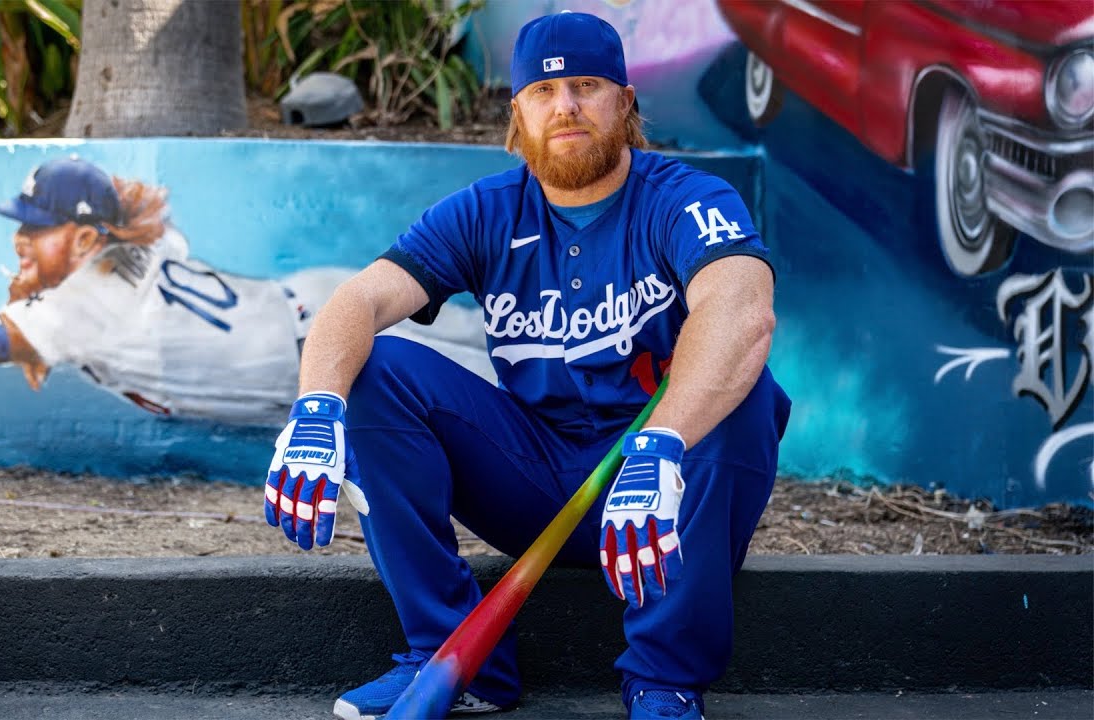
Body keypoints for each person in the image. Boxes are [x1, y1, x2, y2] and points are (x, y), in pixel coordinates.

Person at [263, 11, 791, 720]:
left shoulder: (683, 200)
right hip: (533, 479)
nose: (565, 107)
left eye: (586, 85)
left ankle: (665, 679)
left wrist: (661, 442)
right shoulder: (486, 211)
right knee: (376, 372)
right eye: (543, 93)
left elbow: (741, 308)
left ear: (625, 102)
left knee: (746, 385)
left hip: (663, 491)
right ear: (517, 114)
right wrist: (317, 406)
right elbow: (359, 299)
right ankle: (452, 656)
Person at [0, 157, 492, 427]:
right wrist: (33, 318)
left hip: (326, 347)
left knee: (509, 379)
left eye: (37, 228)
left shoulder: (78, 306)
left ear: (84, 239)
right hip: (311, 310)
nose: (21, 240)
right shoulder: (135, 244)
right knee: (510, 352)